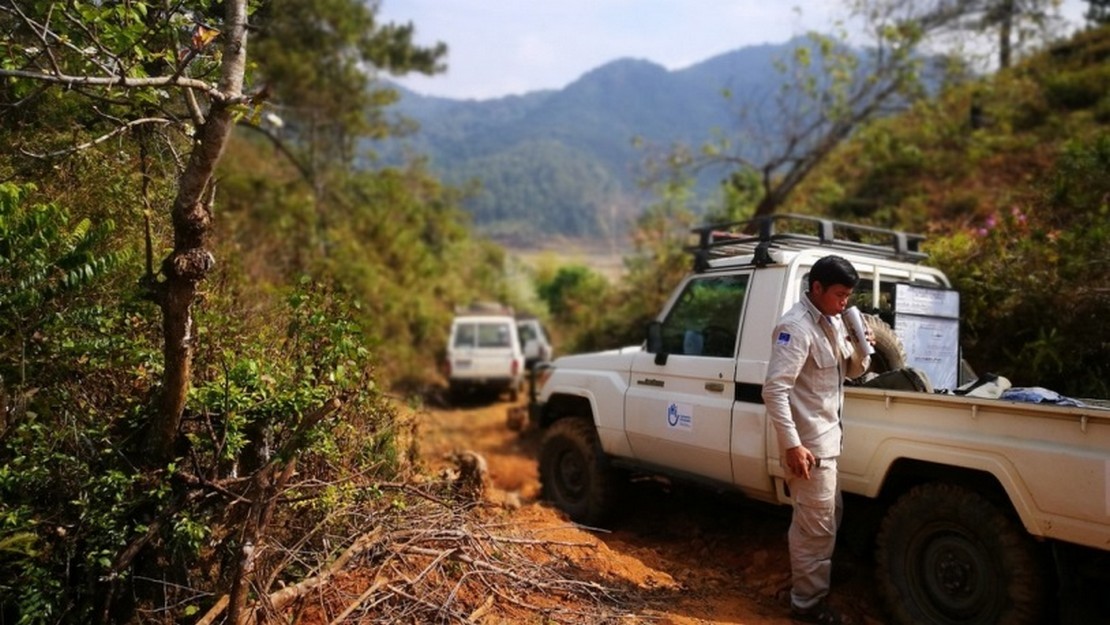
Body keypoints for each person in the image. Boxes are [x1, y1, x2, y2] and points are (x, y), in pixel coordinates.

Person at [762, 255, 872, 625]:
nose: (845, 302)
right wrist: (792, 445)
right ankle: (807, 604)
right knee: (815, 529)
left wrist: (861, 345)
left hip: (829, 443)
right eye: (839, 294)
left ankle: (815, 574)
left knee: (827, 519)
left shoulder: (834, 323)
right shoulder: (796, 327)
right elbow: (775, 391)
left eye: (848, 296)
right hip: (810, 449)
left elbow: (850, 371)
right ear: (817, 288)